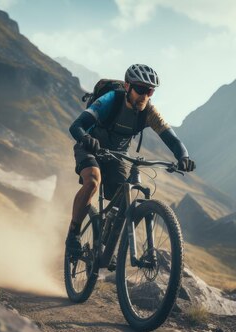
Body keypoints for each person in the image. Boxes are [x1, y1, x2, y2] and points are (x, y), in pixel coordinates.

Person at [66, 64, 196, 257]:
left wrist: (183, 156)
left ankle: (105, 245)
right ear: (127, 86)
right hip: (90, 148)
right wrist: (86, 138)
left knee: (121, 201)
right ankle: (74, 234)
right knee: (93, 181)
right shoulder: (111, 100)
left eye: (150, 91)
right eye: (141, 89)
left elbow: (172, 140)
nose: (145, 95)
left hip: (116, 155)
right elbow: (77, 126)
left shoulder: (150, 112)